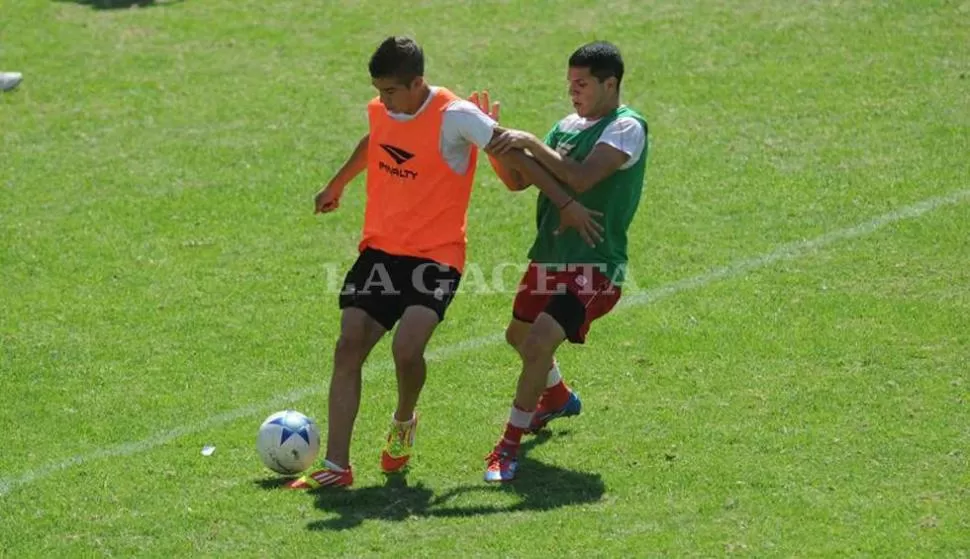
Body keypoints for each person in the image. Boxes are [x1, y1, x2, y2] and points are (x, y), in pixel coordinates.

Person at [288, 36, 603, 490]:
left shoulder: (455, 116)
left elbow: (513, 156)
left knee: (406, 350)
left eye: (391, 91)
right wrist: (338, 183)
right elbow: (375, 140)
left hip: (435, 258)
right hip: (380, 250)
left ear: (418, 82)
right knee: (348, 345)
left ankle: (402, 421)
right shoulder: (383, 110)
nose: (383, 100)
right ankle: (338, 466)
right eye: (378, 90)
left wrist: (566, 201)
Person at [479, 41, 649, 482]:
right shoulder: (567, 126)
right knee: (517, 335)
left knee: (538, 344)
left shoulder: (626, 128)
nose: (573, 92)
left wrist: (529, 141)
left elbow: (578, 177)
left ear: (610, 84)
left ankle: (508, 449)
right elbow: (518, 181)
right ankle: (556, 398)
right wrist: (495, 144)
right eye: (569, 83)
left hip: (595, 266)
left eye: (582, 84)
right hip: (550, 258)